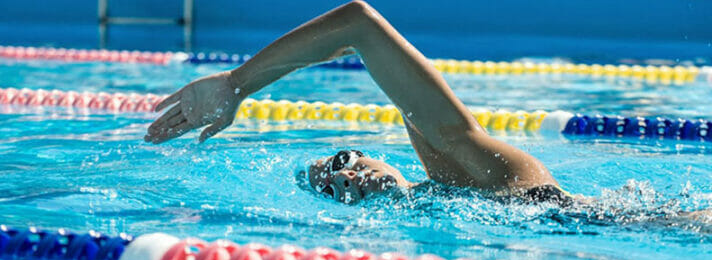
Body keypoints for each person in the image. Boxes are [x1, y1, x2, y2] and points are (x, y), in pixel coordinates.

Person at [143, 2, 654, 212]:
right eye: (333, 188)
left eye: (344, 162)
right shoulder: (440, 211)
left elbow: (360, 24)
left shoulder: (462, 163)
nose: (347, 179)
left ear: (375, 153)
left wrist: (237, 84)